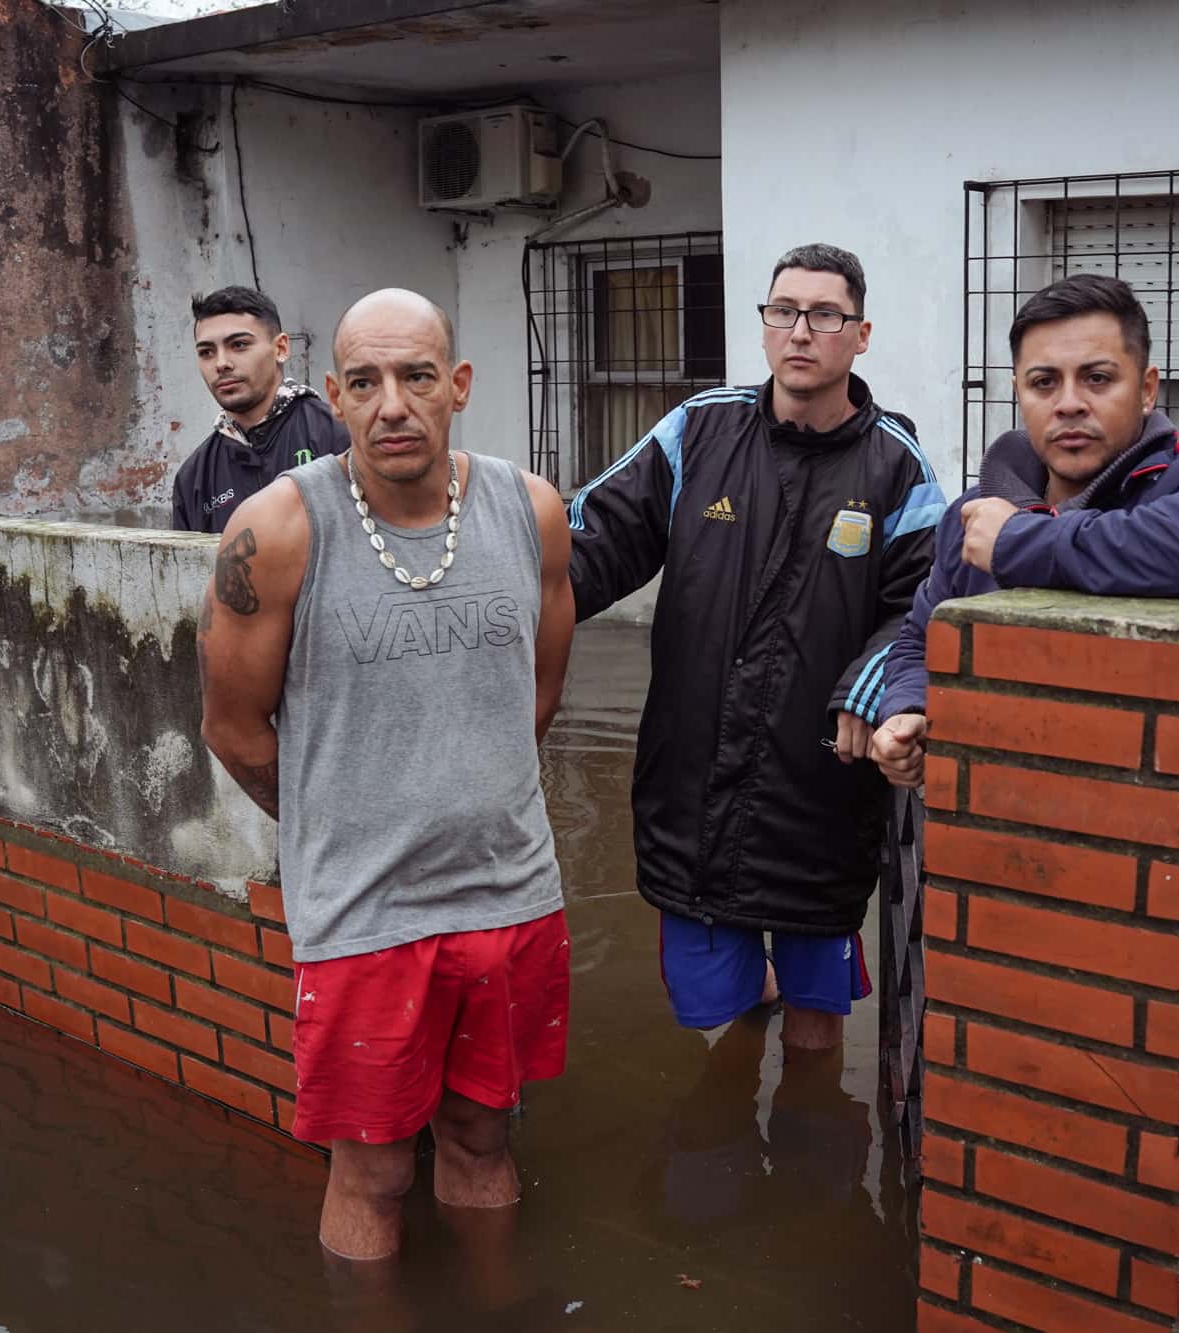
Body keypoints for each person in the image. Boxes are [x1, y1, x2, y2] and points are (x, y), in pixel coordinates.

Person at [196, 288, 575, 1263]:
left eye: (416, 376)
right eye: (363, 383)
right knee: (371, 1171)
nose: (392, 405)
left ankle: (498, 1306)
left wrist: (469, 792)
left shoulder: (529, 510)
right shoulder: (278, 531)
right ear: (332, 395)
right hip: (364, 914)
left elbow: (536, 692)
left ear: (459, 385)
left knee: (483, 1138)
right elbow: (232, 728)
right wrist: (340, 818)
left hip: (508, 894)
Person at [569, 242, 945, 1052]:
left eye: (824, 315)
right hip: (694, 781)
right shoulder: (698, 430)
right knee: (715, 1010)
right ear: (765, 322)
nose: (800, 331)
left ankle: (807, 1120)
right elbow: (592, 541)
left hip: (822, 791)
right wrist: (501, 596)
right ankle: (752, 1018)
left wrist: (870, 686)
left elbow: (923, 605)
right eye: (784, 311)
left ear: (861, 334)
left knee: (816, 1029)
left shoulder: (896, 466)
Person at [869, 273, 1179, 788]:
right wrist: (908, 707)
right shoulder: (974, 514)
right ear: (1019, 393)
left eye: (1097, 378)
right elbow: (919, 640)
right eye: (1044, 382)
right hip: (992, 811)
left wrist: (1016, 542)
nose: (1068, 403)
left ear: (1147, 389)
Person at [172, 285, 349, 533]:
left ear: (281, 348)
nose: (221, 363)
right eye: (207, 352)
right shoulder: (193, 478)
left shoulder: (339, 435)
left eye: (239, 345)